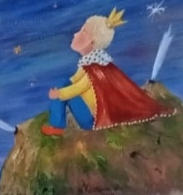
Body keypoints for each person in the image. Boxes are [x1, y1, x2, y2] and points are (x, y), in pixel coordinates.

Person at [41, 8, 170, 137]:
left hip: (90, 119)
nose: (75, 34)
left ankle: (57, 126)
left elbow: (80, 87)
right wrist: (60, 89)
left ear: (92, 42)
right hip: (86, 109)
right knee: (62, 83)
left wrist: (59, 94)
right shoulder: (91, 61)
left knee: (63, 89)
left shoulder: (96, 67)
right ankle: (56, 125)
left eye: (83, 32)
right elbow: (75, 79)